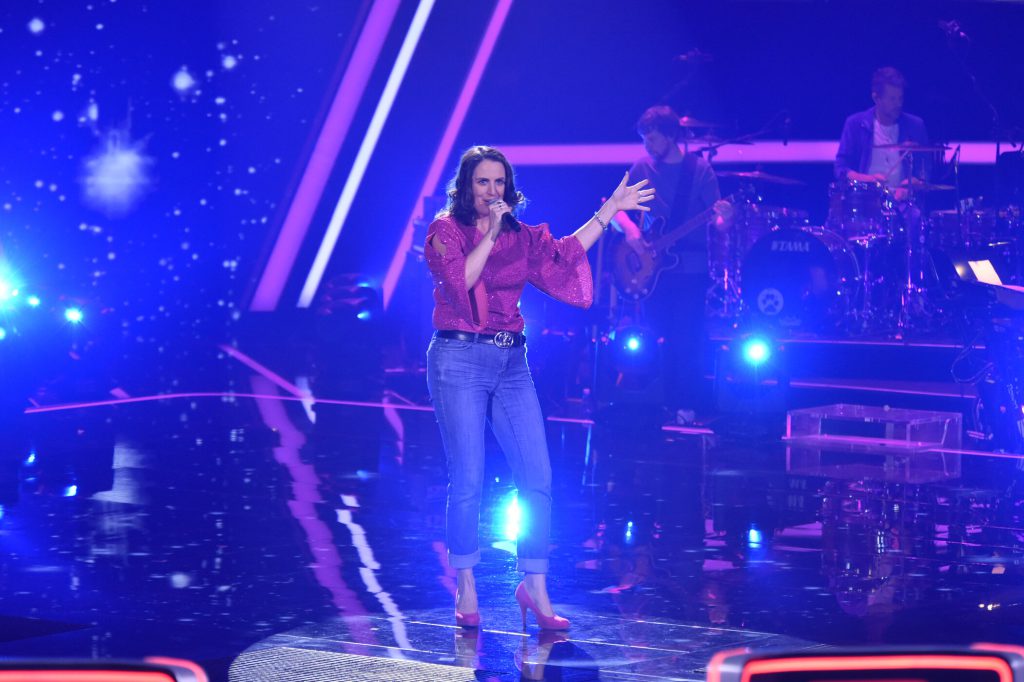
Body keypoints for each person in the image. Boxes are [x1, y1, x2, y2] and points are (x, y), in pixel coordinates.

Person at [424, 145, 653, 630]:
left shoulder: (521, 237)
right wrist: (490, 233)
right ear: (466, 187)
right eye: (483, 182)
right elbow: (461, 281)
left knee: (537, 476)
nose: (492, 191)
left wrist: (610, 210)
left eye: (499, 183)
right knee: (468, 477)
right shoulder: (446, 232)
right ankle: (465, 583)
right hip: (459, 358)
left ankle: (534, 586)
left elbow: (566, 254)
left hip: (511, 361)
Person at [612, 105, 731, 423]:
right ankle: (659, 402)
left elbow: (719, 221)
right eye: (644, 140)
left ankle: (686, 405)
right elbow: (615, 209)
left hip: (691, 268)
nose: (647, 146)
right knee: (656, 336)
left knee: (688, 338)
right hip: (651, 270)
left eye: (652, 139)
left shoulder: (700, 170)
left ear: (669, 135)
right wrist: (631, 230)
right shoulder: (642, 168)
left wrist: (725, 217)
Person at [835, 66, 932, 198]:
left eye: (900, 98)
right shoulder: (855, 124)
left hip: (905, 203)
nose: (898, 104)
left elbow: (924, 170)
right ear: (876, 98)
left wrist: (910, 184)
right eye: (892, 99)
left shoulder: (915, 126)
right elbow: (841, 168)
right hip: (866, 200)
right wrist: (867, 180)